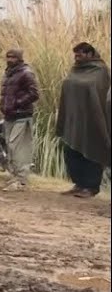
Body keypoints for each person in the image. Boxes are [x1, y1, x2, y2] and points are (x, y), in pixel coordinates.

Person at [56, 42, 111, 198]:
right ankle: (79, 184)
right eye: (75, 55)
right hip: (73, 119)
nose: (77, 57)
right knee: (71, 151)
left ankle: (91, 187)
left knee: (91, 152)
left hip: (93, 119)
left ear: (90, 54)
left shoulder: (101, 71)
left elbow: (101, 95)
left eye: (80, 54)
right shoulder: (75, 69)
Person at [0, 48, 40, 192]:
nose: (10, 59)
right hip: (9, 115)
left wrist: (17, 103)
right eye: (8, 57)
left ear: (20, 58)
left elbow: (34, 94)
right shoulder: (8, 73)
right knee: (9, 146)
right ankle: (14, 177)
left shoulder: (26, 73)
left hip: (22, 115)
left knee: (17, 147)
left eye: (13, 57)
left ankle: (21, 180)